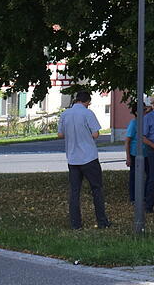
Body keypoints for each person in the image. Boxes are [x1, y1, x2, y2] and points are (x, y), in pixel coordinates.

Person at [58, 91, 109, 229]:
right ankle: (102, 221)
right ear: (87, 101)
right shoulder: (88, 113)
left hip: (73, 158)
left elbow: (60, 134)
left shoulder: (65, 114)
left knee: (74, 192)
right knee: (96, 189)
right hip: (89, 157)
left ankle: (75, 223)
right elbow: (96, 134)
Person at [124, 102, 151, 202]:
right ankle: (133, 197)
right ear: (136, 112)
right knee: (134, 176)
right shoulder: (134, 123)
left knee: (149, 174)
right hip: (135, 153)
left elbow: (150, 109)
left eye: (145, 110)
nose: (145, 111)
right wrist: (128, 157)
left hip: (147, 153)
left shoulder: (145, 121)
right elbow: (127, 141)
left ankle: (145, 195)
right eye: (143, 110)